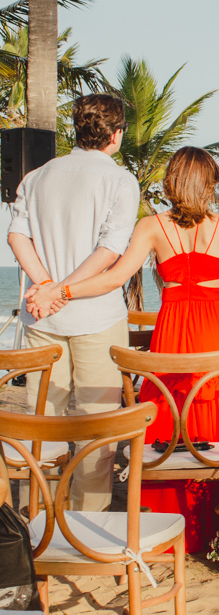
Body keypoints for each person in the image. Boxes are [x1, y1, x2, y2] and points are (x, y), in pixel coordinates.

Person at [29, 147, 219, 553]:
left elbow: (115, 279)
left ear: (173, 183)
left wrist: (63, 289)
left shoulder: (152, 226)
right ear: (207, 183)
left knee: (176, 410)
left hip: (174, 332)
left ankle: (179, 522)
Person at [8, 94, 139, 512]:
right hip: (94, 315)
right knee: (96, 427)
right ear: (116, 135)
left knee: (40, 422)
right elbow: (110, 250)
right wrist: (60, 290)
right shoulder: (120, 180)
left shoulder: (38, 175)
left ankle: (39, 515)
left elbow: (16, 235)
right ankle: (87, 521)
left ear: (77, 131)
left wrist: (45, 286)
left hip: (41, 318)